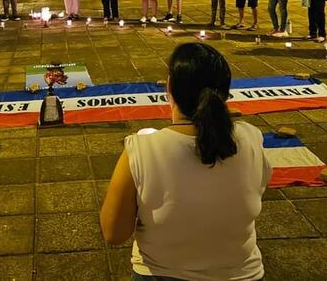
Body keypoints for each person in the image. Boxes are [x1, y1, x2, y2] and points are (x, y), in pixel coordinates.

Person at [100, 43, 271, 281]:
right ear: (224, 93)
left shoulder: (141, 150)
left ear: (169, 87)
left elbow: (114, 233)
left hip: (161, 273)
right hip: (242, 274)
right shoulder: (252, 138)